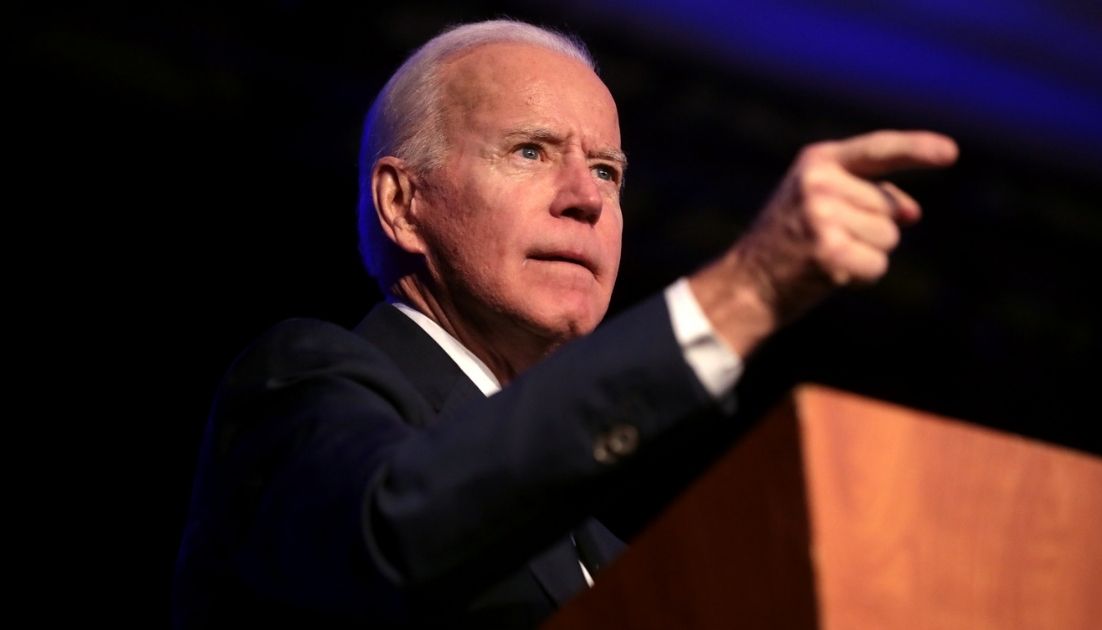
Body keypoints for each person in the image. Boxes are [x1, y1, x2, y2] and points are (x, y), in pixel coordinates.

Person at [172, 18, 957, 629]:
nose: (586, 197)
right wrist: (742, 292)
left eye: (608, 171)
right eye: (530, 152)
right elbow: (397, 530)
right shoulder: (296, 385)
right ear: (402, 204)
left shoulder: (616, 560)